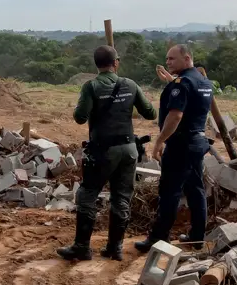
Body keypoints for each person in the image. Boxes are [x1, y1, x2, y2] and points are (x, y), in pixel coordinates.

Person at [58, 45, 156, 262]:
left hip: (103, 150)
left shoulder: (91, 86)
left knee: (87, 195)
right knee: (121, 198)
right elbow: (150, 113)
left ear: (96, 64)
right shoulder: (130, 84)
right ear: (116, 63)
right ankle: (115, 248)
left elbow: (80, 117)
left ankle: (82, 247)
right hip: (129, 149)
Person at [135, 44, 216, 252]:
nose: (168, 62)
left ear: (187, 58)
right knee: (195, 190)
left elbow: (176, 115)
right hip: (197, 143)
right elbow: (190, 96)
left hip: (180, 145)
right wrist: (171, 82)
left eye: (172, 59)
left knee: (169, 192)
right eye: (167, 59)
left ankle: (158, 238)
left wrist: (160, 141)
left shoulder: (182, 83)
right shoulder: (204, 82)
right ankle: (197, 237)